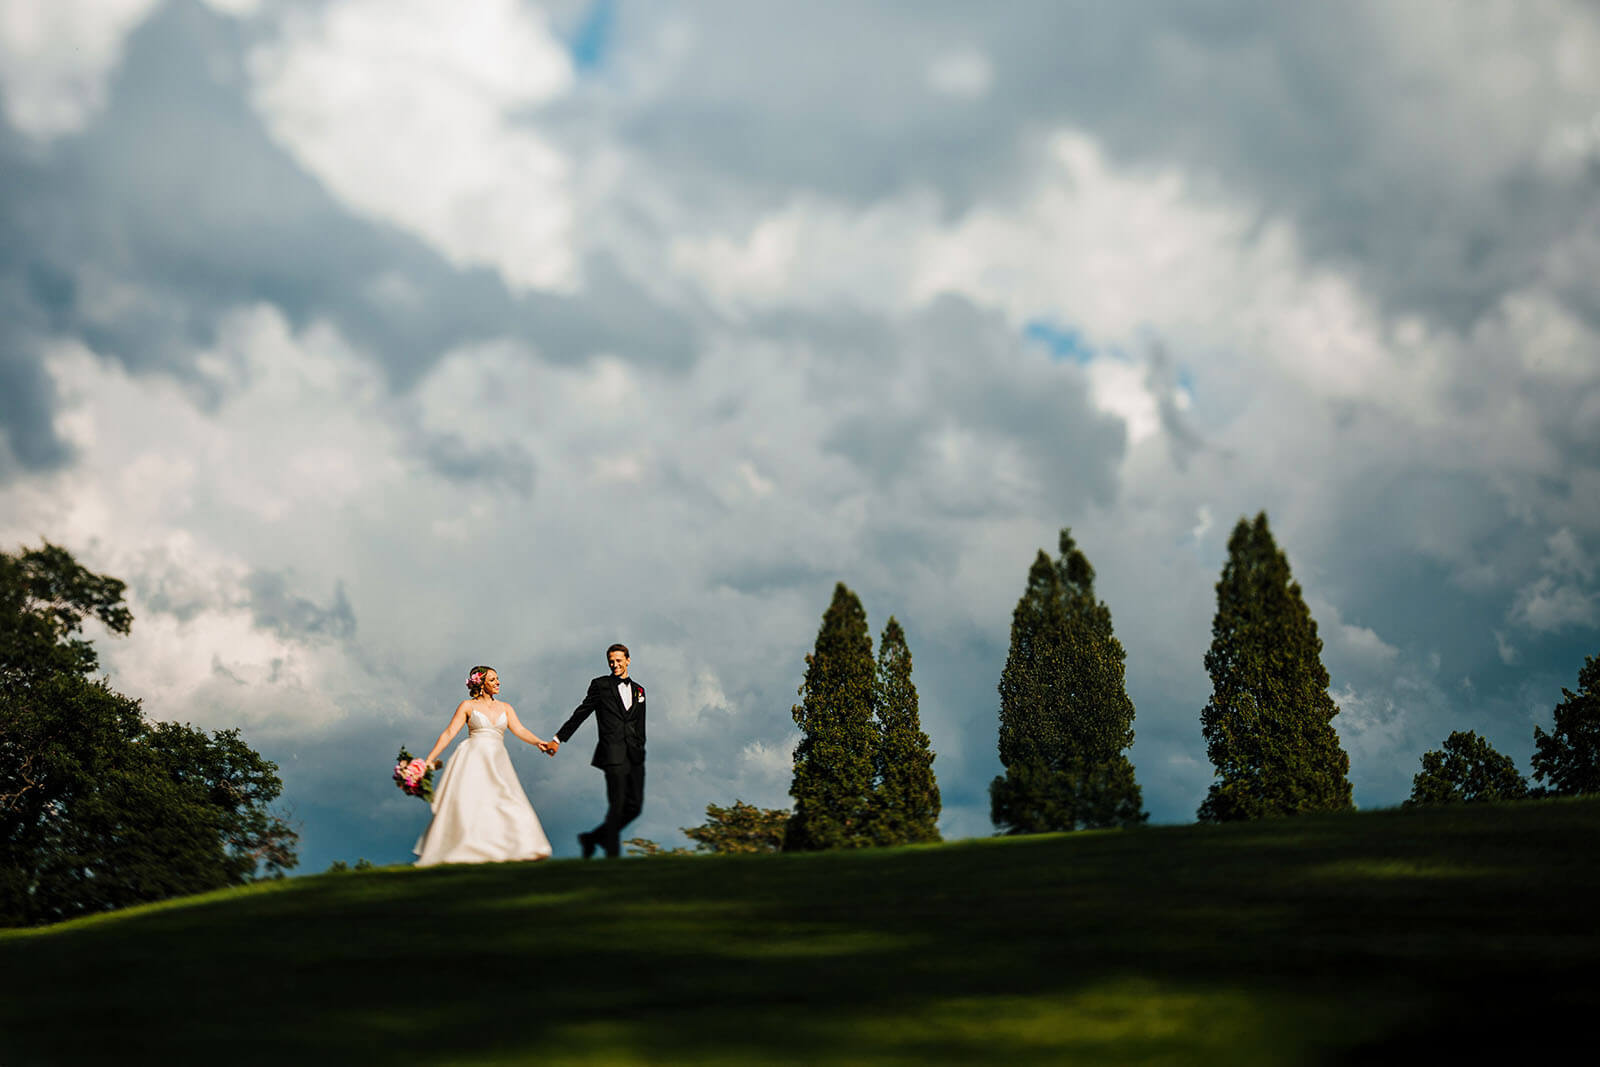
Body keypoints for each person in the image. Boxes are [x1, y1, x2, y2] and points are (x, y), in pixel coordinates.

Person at [414, 665, 554, 866]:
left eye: (498, 679)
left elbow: (519, 729)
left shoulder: (506, 707)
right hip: (472, 758)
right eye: (493, 679)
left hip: (497, 760)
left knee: (507, 799)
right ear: (480, 684)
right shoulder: (467, 706)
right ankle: (468, 847)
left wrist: (539, 742)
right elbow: (449, 733)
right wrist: (429, 759)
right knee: (473, 803)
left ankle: (519, 846)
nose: (498, 683)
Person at [548, 643, 646, 859]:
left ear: (628, 660)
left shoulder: (640, 690)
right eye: (611, 661)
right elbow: (581, 713)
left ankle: (592, 838)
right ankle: (613, 857)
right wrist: (559, 738)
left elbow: (640, 724)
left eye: (619, 660)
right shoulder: (600, 685)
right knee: (617, 805)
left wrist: (641, 746)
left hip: (636, 756)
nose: (615, 664)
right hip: (613, 753)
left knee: (635, 807)